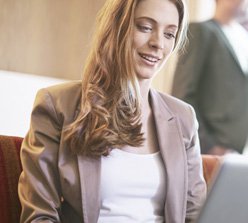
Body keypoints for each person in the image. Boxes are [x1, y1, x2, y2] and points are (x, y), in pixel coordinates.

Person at [18, 0, 206, 222]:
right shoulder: (57, 106)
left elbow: (196, 215)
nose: (158, 44)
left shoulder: (183, 118)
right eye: (145, 27)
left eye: (169, 34)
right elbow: (39, 215)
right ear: (117, 28)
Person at [171, 0, 248, 156]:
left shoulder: (246, 38)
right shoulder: (201, 31)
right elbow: (181, 95)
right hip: (219, 150)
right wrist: (209, 145)